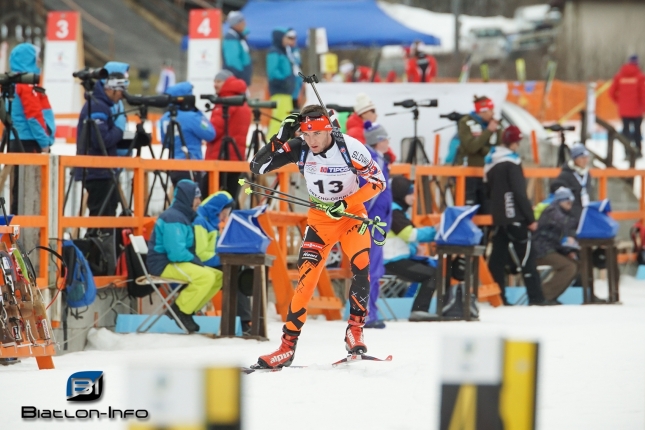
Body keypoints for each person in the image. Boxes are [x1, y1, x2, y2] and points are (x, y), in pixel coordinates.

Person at [249, 105, 386, 368]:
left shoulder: (350, 147)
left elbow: (378, 182)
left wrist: (347, 204)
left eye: (317, 134)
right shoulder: (300, 146)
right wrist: (281, 136)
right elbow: (258, 166)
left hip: (350, 217)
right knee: (306, 281)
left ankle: (354, 330)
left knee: (361, 268)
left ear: (330, 130)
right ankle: (286, 347)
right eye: (306, 134)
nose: (311, 141)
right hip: (320, 221)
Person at [484, 125, 550, 306]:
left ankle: (498, 298)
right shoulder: (512, 163)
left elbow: (489, 189)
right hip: (515, 217)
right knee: (526, 258)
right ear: (514, 142)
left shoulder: (491, 161)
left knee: (497, 259)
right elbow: (519, 193)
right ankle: (536, 298)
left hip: (499, 217)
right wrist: (530, 218)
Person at [146, 180, 223, 333]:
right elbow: (176, 253)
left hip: (175, 262)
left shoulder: (184, 216)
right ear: (186, 197)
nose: (199, 202)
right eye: (196, 198)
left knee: (218, 276)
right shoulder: (173, 218)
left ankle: (189, 310)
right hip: (163, 264)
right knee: (206, 277)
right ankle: (180, 310)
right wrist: (196, 261)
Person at [75, 61, 130, 217]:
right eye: (121, 91)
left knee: (107, 210)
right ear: (111, 89)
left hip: (101, 170)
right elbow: (102, 140)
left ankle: (100, 240)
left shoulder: (101, 105)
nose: (122, 96)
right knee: (102, 214)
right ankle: (96, 241)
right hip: (98, 171)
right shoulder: (98, 107)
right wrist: (119, 129)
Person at [193, 190, 252, 334]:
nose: (223, 218)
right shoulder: (200, 221)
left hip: (209, 261)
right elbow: (201, 255)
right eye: (223, 214)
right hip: (198, 263)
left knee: (237, 269)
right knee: (234, 273)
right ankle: (244, 322)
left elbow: (216, 247)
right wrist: (225, 258)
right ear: (216, 210)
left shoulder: (211, 222)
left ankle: (243, 321)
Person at [6, 43, 55, 214]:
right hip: (28, 143)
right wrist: (44, 143)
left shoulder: (13, 85)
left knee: (18, 189)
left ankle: (15, 230)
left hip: (17, 140)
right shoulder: (26, 87)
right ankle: (22, 231)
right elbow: (34, 116)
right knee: (28, 191)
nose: (39, 61)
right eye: (36, 57)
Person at [383, 176, 438, 321]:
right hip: (391, 260)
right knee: (432, 274)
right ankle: (419, 311)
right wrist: (435, 231)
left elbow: (403, 239)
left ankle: (441, 307)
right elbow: (409, 234)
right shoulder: (394, 212)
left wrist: (415, 250)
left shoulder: (398, 211)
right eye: (411, 194)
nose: (414, 198)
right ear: (401, 193)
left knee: (438, 269)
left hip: (396, 258)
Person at [362, 122, 393, 329]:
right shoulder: (373, 161)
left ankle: (369, 311)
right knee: (370, 269)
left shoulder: (379, 160)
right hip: (373, 222)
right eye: (385, 138)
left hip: (378, 222)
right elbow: (369, 192)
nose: (388, 142)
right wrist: (363, 215)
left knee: (374, 268)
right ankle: (366, 314)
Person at [206, 70, 251, 200]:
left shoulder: (225, 103)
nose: (215, 84)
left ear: (227, 83)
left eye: (219, 81)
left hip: (220, 157)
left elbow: (213, 132)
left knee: (208, 196)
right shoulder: (241, 101)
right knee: (231, 199)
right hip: (236, 157)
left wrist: (200, 125)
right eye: (214, 81)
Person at [159, 81, 215, 187]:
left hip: (173, 166)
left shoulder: (164, 118)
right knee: (193, 201)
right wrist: (197, 112)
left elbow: (165, 143)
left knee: (180, 199)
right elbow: (210, 133)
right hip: (191, 166)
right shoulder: (191, 117)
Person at [456, 95, 503, 214]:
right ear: (483, 111)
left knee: (488, 210)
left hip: (488, 174)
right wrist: (488, 132)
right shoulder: (466, 122)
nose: (493, 113)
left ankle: (487, 232)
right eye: (490, 110)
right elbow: (471, 147)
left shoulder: (495, 125)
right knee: (469, 210)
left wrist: (483, 147)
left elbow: (499, 148)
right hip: (469, 174)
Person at [534, 187, 580, 302]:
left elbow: (556, 238)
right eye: (567, 201)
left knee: (577, 264)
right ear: (560, 201)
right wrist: (581, 225)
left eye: (571, 202)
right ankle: (544, 295)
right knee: (569, 267)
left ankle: (551, 296)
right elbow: (565, 223)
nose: (570, 204)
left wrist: (567, 251)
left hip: (549, 249)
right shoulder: (552, 210)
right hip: (540, 251)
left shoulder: (562, 212)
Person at [609, 55, 644, 156]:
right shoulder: (640, 77)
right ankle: (637, 152)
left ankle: (627, 152)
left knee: (626, 132)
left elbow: (611, 93)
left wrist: (620, 102)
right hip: (637, 110)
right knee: (637, 131)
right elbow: (643, 94)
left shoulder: (619, 76)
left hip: (624, 111)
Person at [346, 93, 396, 162]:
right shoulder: (356, 133)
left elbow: (388, 154)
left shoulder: (368, 130)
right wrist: (385, 157)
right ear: (363, 113)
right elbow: (362, 157)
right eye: (373, 111)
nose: (376, 115)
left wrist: (388, 156)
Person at [550, 143, 592, 223]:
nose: (585, 160)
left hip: (585, 213)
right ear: (575, 159)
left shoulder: (587, 174)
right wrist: (571, 191)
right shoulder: (566, 174)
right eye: (582, 158)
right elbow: (555, 189)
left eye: (587, 157)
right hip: (570, 217)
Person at [266, 27, 297, 137]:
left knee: (285, 119)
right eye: (284, 37)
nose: (286, 40)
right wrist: (284, 81)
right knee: (278, 119)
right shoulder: (274, 52)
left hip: (286, 92)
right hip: (280, 91)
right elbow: (272, 71)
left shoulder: (282, 51)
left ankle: (282, 143)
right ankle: (272, 145)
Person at [222, 11, 252, 86]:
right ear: (236, 24)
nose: (245, 24)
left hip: (240, 81)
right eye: (242, 21)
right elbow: (232, 61)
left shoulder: (237, 38)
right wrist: (241, 77)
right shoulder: (231, 39)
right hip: (237, 82)